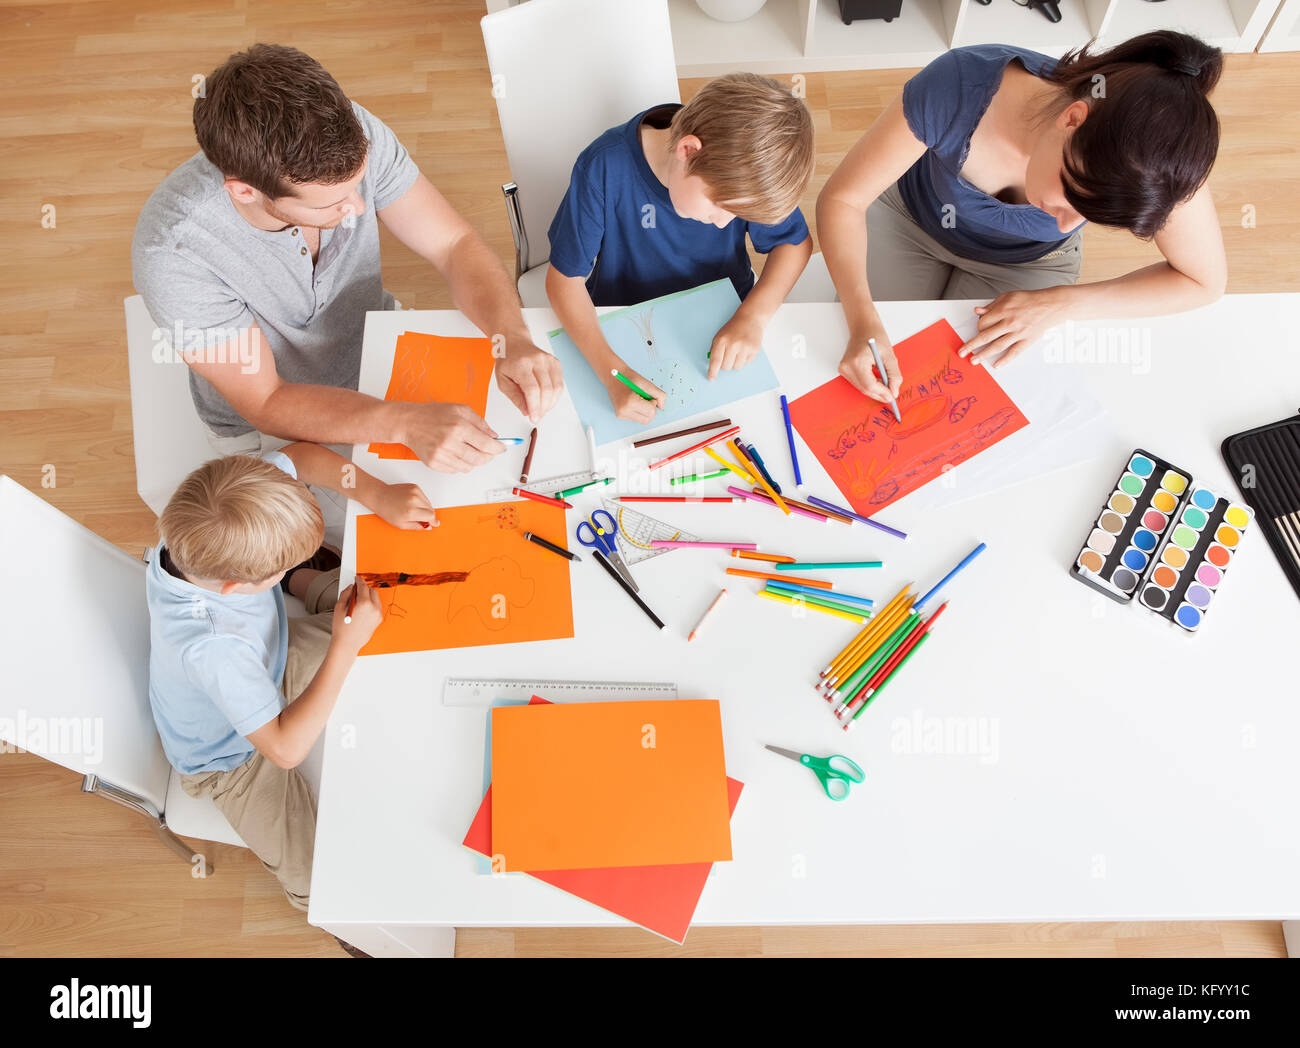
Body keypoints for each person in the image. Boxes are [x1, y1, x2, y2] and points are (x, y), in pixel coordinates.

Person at [132, 44, 563, 490]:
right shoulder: (174, 251)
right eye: (333, 202)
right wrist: (405, 425)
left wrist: (510, 336)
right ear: (245, 192)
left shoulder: (351, 133)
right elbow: (266, 398)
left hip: (380, 345)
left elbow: (453, 244)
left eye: (358, 185)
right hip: (273, 423)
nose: (358, 208)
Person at [817, 31, 1228, 402]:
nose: (1067, 227)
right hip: (911, 220)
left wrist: (1059, 304)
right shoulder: (958, 84)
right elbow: (843, 200)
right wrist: (861, 317)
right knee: (868, 362)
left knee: (958, 394)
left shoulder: (1158, 165)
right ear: (1072, 119)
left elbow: (1202, 282)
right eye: (1072, 197)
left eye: (1087, 216)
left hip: (1031, 263)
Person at [146, 445, 431, 911]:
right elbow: (284, 749)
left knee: (391, 617)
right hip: (232, 759)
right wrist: (343, 644)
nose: (280, 569)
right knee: (325, 880)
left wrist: (377, 493)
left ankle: (307, 584)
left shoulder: (206, 519)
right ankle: (346, 926)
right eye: (280, 570)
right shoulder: (213, 648)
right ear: (236, 588)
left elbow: (300, 457)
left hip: (271, 657)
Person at [546, 73, 815, 424]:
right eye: (720, 207)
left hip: (723, 323)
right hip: (621, 325)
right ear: (687, 151)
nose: (724, 223)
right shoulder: (603, 166)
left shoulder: (744, 171)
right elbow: (563, 281)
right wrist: (613, 375)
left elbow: (794, 244)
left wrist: (754, 316)